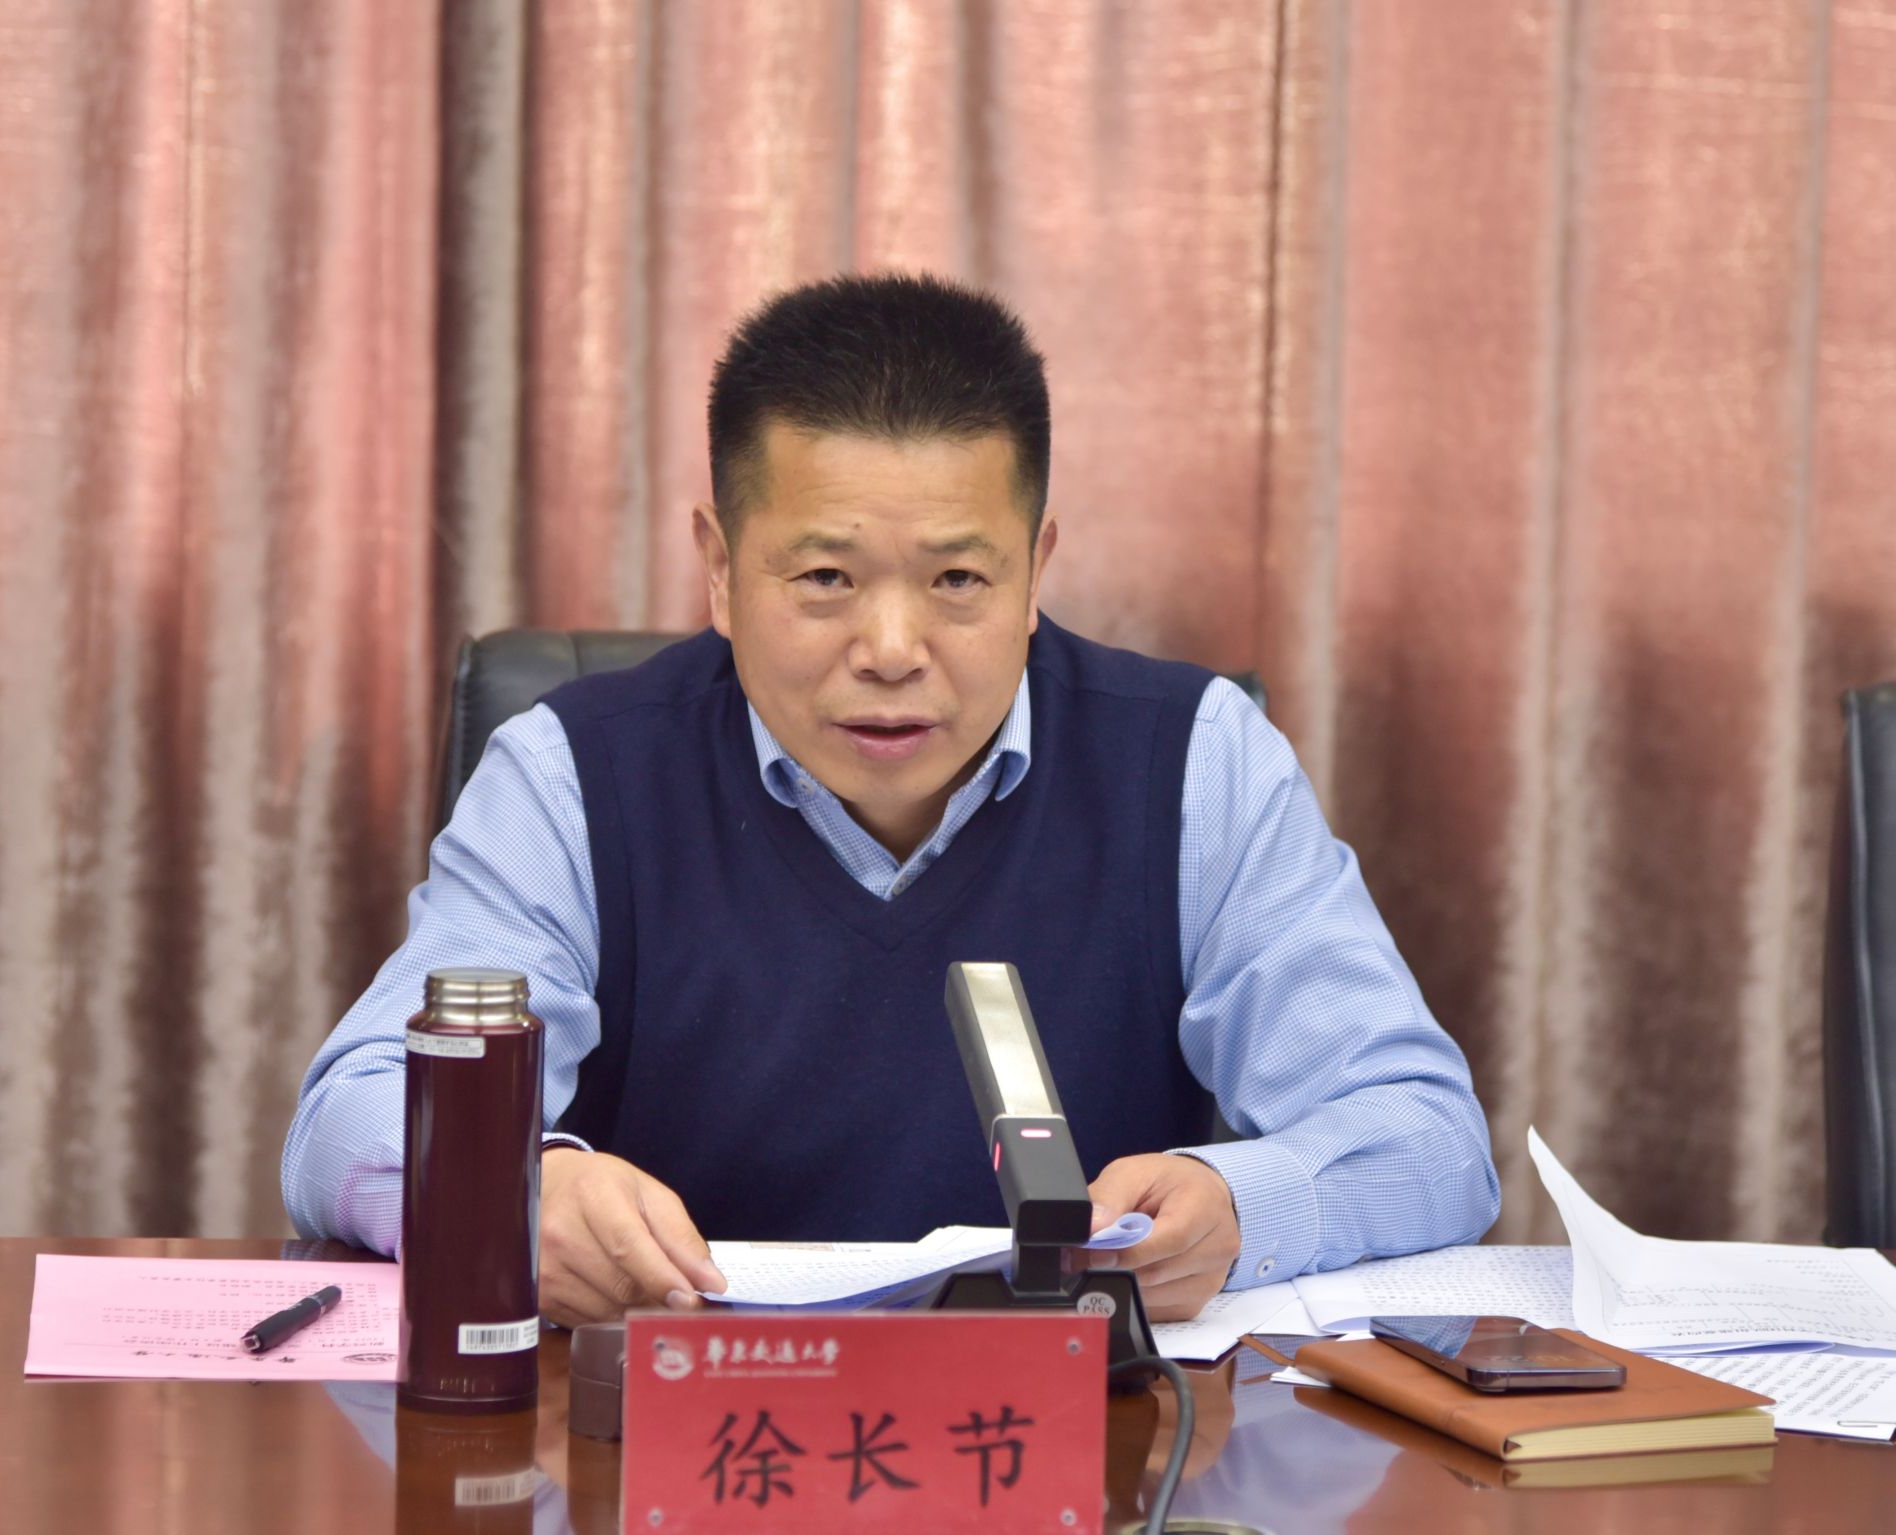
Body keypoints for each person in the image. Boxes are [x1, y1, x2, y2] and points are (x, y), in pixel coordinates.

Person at [282, 273, 1500, 1329]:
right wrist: (514, 1189)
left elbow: (1425, 1133)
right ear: (719, 567)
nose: (891, 649)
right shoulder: (570, 776)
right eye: (825, 576)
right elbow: (351, 1113)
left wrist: (1240, 1205)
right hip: (661, 1437)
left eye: (957, 578)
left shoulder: (1193, 765)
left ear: (1036, 568)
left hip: (1081, 1448)